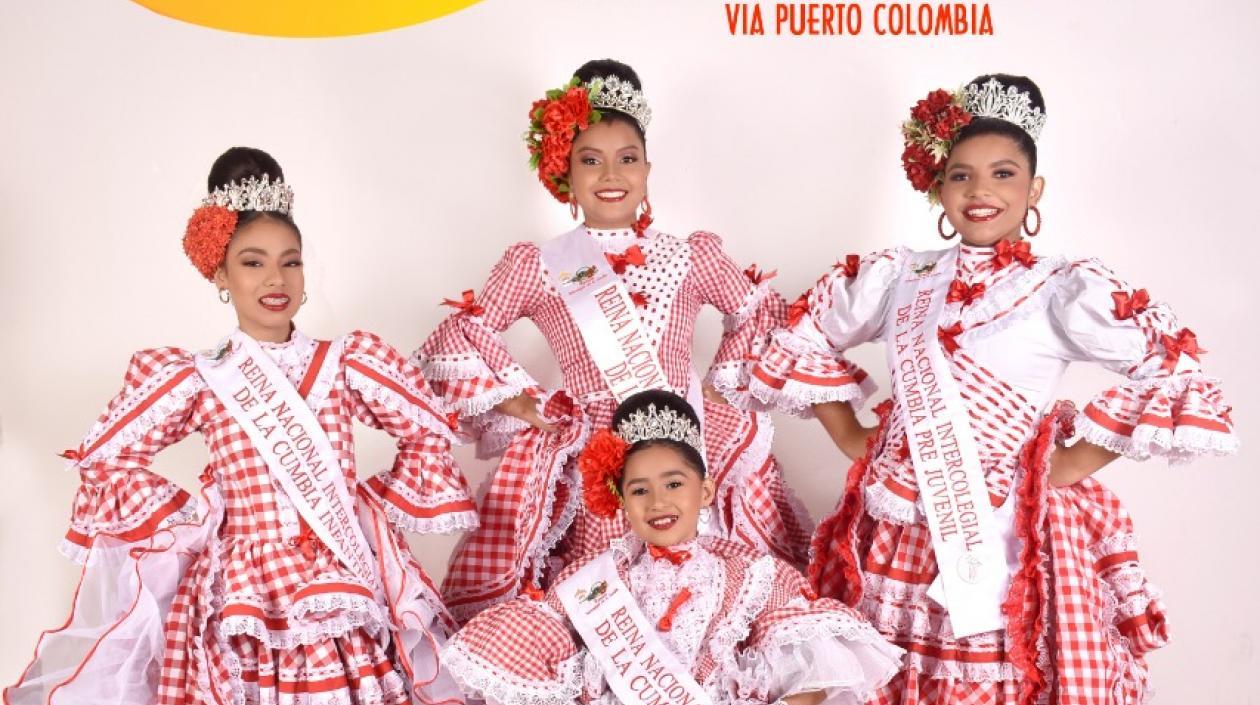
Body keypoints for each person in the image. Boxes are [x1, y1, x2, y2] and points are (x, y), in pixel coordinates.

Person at [749, 75, 1238, 703]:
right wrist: (848, 432)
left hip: (1006, 530)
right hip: (903, 523)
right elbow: (805, 333)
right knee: (892, 674)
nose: (981, 191)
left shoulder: (1060, 287)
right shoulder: (901, 277)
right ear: (939, 187)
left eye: (1003, 174)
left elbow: (1171, 368)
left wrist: (1069, 463)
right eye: (961, 175)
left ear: (1034, 189)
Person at [6, 147, 478, 705]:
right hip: (247, 589)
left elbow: (427, 426)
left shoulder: (349, 361)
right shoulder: (200, 377)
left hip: (343, 571)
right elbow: (106, 454)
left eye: (291, 260)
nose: (275, 278)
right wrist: (196, 523)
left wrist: (370, 509)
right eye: (253, 262)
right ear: (221, 274)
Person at [419, 59, 812, 623]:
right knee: (607, 589)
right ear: (566, 174)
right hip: (596, 452)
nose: (611, 174)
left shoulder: (691, 254)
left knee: (706, 584)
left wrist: (720, 389)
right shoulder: (536, 265)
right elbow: (464, 332)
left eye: (627, 159)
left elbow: (760, 311)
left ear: (648, 169)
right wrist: (526, 404)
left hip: (688, 438)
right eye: (590, 160)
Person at [441, 390, 903, 705]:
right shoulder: (590, 578)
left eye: (674, 483)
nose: (658, 501)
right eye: (639, 490)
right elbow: (536, 660)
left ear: (705, 491)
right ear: (620, 500)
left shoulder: (751, 573)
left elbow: (813, 669)